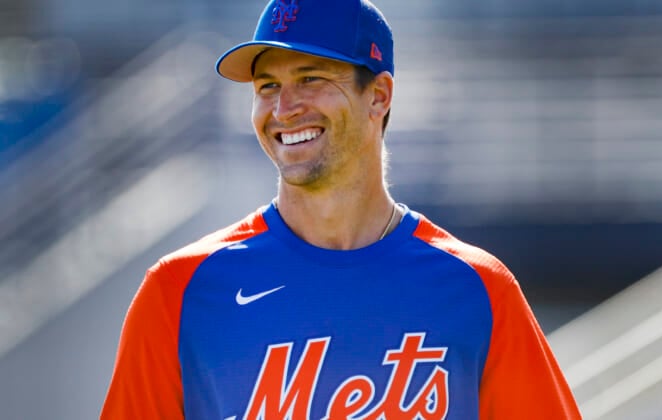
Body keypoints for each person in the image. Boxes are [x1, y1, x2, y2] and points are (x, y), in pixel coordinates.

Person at [101, 0, 581, 418]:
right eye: (267, 86)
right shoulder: (179, 290)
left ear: (379, 96)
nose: (283, 108)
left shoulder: (477, 289)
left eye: (310, 79)